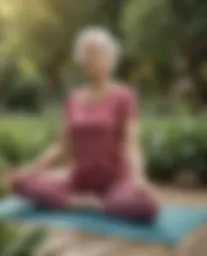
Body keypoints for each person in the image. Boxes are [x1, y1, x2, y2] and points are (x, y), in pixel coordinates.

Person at [10, 27, 161, 222]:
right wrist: (33, 169)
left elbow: (132, 144)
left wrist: (140, 179)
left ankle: (98, 202)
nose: (90, 58)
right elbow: (62, 146)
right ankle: (86, 202)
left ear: (111, 58)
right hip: (78, 180)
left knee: (147, 204)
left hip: (115, 180)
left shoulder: (125, 96)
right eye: (86, 54)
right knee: (20, 183)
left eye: (97, 52)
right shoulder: (74, 98)